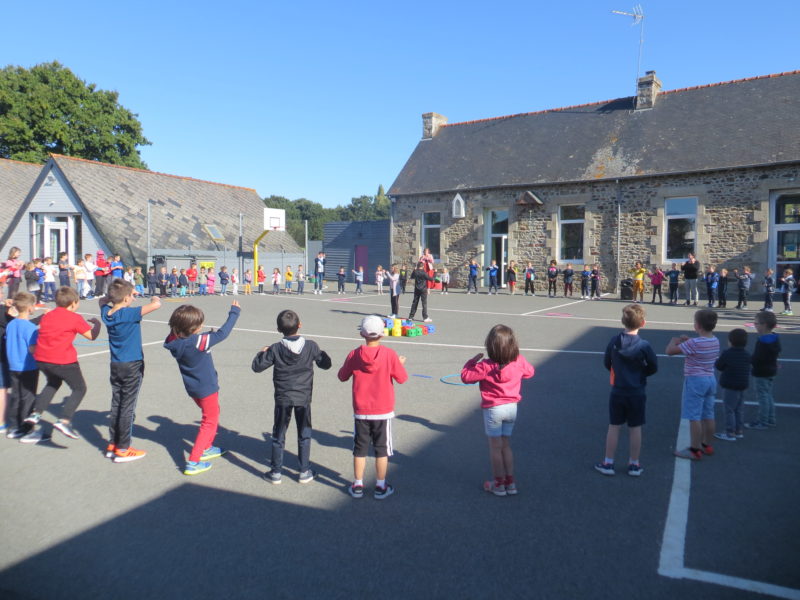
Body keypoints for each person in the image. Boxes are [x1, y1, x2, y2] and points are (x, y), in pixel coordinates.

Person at [252, 309, 332, 484]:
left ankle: (276, 472)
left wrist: (261, 353)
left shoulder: (275, 348)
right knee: (304, 433)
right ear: (300, 325)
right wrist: (322, 354)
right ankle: (304, 471)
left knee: (279, 434)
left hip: (283, 398)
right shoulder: (311, 346)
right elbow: (326, 364)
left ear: (279, 329)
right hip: (303, 397)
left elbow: (257, 367)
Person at [164, 300, 240, 475]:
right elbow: (223, 333)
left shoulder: (173, 340)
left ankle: (206, 447)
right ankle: (193, 461)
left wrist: (201, 332)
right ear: (193, 329)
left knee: (212, 414)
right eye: (199, 325)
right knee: (209, 421)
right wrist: (234, 312)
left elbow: (188, 337)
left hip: (193, 388)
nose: (202, 326)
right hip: (207, 387)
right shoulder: (199, 341)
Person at [338, 314, 408, 499]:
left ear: (362, 334)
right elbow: (402, 378)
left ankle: (358, 483)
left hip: (361, 410)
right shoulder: (389, 355)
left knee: (359, 448)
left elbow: (342, 375)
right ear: (382, 334)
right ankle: (380, 485)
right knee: (381, 449)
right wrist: (398, 364)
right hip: (383, 410)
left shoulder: (354, 354)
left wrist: (351, 366)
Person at [21, 286, 102, 443]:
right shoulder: (74, 318)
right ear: (73, 303)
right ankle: (64, 421)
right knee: (79, 388)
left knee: (53, 383)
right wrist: (97, 325)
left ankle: (35, 415)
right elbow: (91, 336)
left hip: (42, 359)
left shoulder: (47, 316)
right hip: (63, 361)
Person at [461, 324, 535, 495]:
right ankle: (511, 482)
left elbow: (465, 376)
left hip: (494, 409)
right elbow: (530, 372)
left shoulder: (486, 366)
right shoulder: (518, 361)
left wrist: (472, 362)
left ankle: (499, 483)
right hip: (511, 409)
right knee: (505, 445)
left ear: (490, 346)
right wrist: (518, 364)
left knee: (495, 448)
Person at [100, 279, 161, 462]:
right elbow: (156, 304)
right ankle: (123, 448)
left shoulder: (107, 313)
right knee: (127, 406)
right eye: (132, 296)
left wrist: (116, 296)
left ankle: (113, 442)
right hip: (132, 364)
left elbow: (102, 302)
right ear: (127, 298)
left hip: (116, 365)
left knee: (117, 403)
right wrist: (155, 296)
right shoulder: (129, 314)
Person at [594, 304, 658, 477]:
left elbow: (607, 363)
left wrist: (619, 373)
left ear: (623, 321)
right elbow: (653, 366)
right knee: (635, 427)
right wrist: (641, 374)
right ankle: (634, 464)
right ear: (643, 323)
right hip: (637, 390)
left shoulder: (614, 342)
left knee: (614, 426)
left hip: (618, 390)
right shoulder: (644, 345)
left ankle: (608, 462)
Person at [666, 309, 720, 460]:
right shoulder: (714, 340)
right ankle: (706, 445)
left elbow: (670, 351)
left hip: (696, 381)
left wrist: (674, 340)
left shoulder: (694, 343)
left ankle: (694, 449)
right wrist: (688, 340)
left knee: (694, 416)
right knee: (708, 414)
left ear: (698, 325)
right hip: (710, 379)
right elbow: (696, 345)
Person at [4, 292, 40, 439]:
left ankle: (14, 427)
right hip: (28, 366)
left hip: (13, 365)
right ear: (30, 308)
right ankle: (26, 430)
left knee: (16, 396)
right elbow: (32, 349)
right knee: (28, 398)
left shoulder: (11, 324)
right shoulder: (31, 328)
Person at [745, 311, 781, 430]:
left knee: (763, 396)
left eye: (756, 323)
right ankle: (771, 418)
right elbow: (775, 353)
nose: (755, 325)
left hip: (761, 372)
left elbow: (757, 358)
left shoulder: (762, 341)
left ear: (764, 325)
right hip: (771, 370)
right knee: (768, 395)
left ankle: (763, 421)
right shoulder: (775, 338)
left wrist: (749, 361)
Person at [713, 328, 750, 442]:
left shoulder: (727, 353)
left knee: (729, 409)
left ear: (731, 341)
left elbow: (719, 366)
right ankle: (739, 430)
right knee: (739, 409)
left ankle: (730, 432)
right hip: (742, 384)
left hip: (730, 385)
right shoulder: (747, 354)